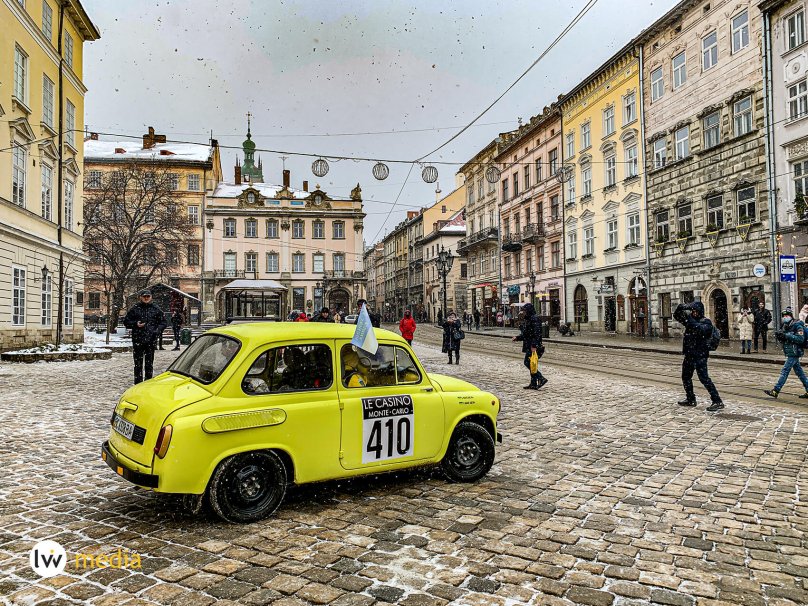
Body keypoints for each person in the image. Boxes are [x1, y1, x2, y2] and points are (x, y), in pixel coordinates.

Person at [673, 301, 723, 412]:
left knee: (704, 379)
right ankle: (690, 399)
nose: (693, 313)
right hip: (689, 354)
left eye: (695, 311)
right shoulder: (690, 321)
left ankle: (717, 400)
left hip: (700, 355)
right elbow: (677, 316)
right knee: (685, 377)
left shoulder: (706, 322)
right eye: (692, 311)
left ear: (699, 312)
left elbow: (699, 329)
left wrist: (689, 319)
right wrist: (680, 308)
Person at [123, 289, 168, 384]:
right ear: (140, 297)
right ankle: (138, 383)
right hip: (138, 339)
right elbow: (126, 322)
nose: (146, 298)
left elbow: (163, 322)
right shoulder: (135, 308)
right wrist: (135, 324)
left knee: (149, 363)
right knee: (138, 364)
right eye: (144, 296)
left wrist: (157, 330)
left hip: (151, 340)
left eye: (148, 296)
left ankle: (148, 383)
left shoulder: (156, 309)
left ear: (151, 297)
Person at [764, 308, 808, 399]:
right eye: (783, 316)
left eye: (787, 316)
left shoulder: (797, 325)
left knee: (785, 370)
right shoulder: (785, 326)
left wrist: (786, 336)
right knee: (800, 373)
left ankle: (776, 390)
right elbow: (787, 340)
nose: (785, 317)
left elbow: (800, 339)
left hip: (795, 352)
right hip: (790, 351)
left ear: (791, 316)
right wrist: (781, 337)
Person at [512, 303, 547, 390]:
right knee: (532, 363)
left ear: (528, 310)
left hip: (533, 345)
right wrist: (518, 337)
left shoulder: (534, 319)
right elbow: (526, 334)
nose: (523, 312)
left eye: (524, 310)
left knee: (528, 363)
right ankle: (533, 383)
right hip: (529, 344)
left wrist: (534, 345)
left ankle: (541, 378)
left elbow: (537, 333)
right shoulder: (528, 319)